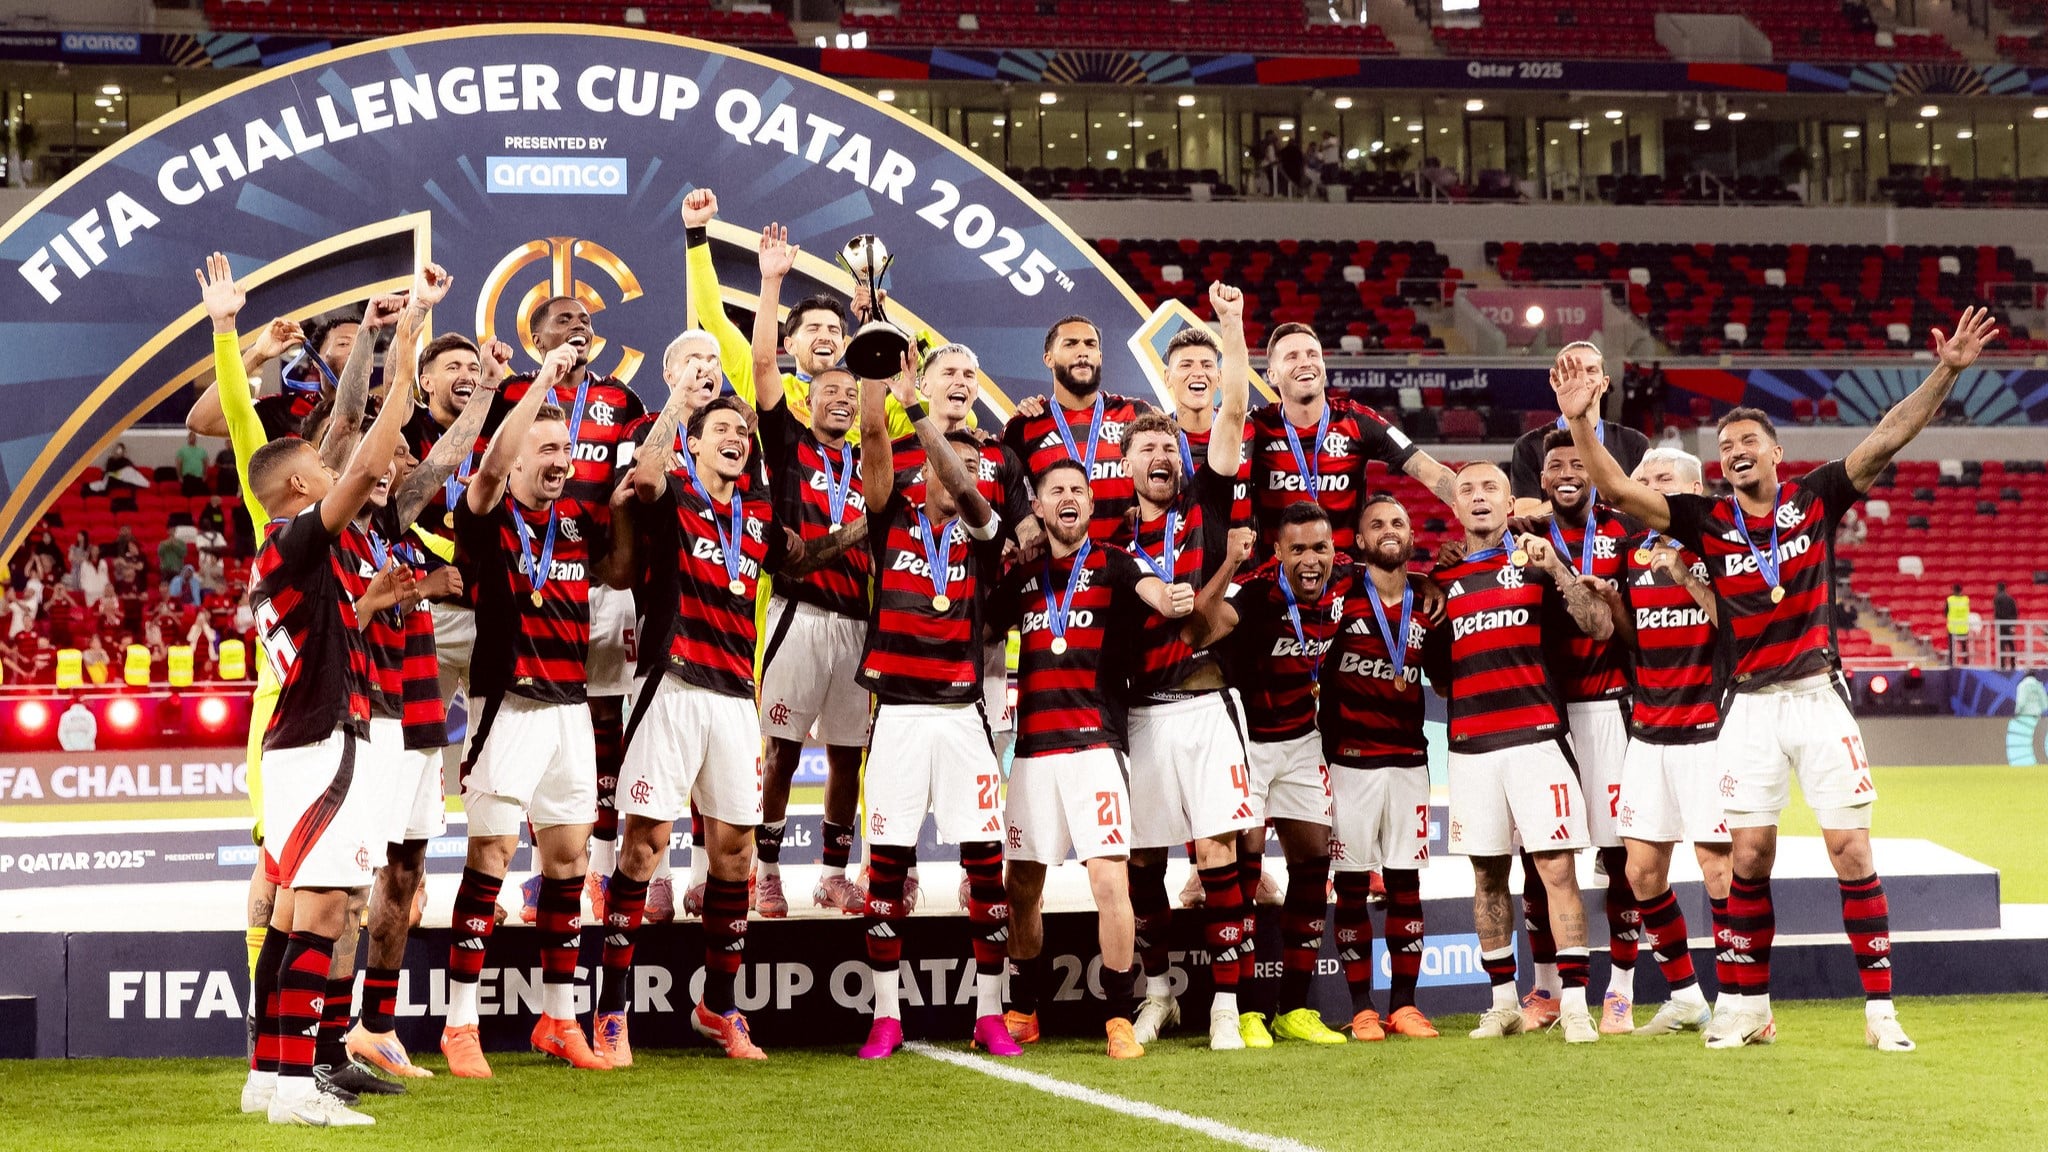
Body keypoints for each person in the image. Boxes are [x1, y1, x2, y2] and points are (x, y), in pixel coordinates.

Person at [1556, 305, 1999, 1052]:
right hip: (1748, 708)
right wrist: (1580, 422)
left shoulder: (1815, 497)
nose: (1735, 451)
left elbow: (1890, 432)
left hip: (1818, 698)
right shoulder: (1704, 520)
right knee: (1749, 857)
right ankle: (1746, 1008)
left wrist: (1946, 371)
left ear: (1776, 452)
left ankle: (1881, 1013)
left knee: (1850, 850)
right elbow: (1621, 493)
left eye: (1748, 442)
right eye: (1725, 445)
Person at [237, 273, 416, 1128]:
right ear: (303, 490)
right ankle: (296, 1087)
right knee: (323, 911)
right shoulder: (295, 540)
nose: (335, 472)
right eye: (321, 469)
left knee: (299, 912)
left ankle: (268, 1080)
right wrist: (404, 351)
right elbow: (372, 457)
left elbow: (329, 633)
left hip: (304, 741)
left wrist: (370, 604)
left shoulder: (291, 561)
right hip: (319, 745)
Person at [601, 393, 816, 1065]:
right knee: (645, 846)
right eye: (720, 429)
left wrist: (852, 533)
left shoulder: (756, 513)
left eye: (740, 432)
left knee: (735, 853)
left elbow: (797, 559)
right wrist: (680, 402)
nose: (736, 438)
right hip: (668, 684)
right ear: (693, 445)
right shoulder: (673, 497)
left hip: (734, 696)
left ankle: (718, 1007)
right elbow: (644, 472)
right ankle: (611, 1010)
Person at [438, 342, 624, 1078]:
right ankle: (460, 1026)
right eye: (546, 450)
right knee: (489, 858)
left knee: (568, 863)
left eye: (566, 450)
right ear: (514, 458)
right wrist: (542, 381)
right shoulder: (485, 516)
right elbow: (484, 474)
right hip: (504, 710)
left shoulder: (575, 521)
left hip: (570, 709)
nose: (560, 461)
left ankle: (559, 1018)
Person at [992, 458, 1198, 1061]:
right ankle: (1024, 1010)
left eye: (1078, 489)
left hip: (1096, 747)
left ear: (1089, 503)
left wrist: (1170, 595)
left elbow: (1153, 591)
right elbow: (980, 621)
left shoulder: (1115, 562)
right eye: (1056, 489)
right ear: (1037, 507)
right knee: (1020, 885)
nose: (1069, 497)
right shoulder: (1023, 575)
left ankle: (1117, 1017)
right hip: (1033, 750)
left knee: (1110, 881)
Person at [850, 353, 1018, 1061]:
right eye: (952, 464)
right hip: (896, 714)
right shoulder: (889, 519)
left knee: (985, 868)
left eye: (972, 466)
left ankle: (990, 1014)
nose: (963, 474)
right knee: (886, 868)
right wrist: (875, 375)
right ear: (924, 469)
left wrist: (919, 408)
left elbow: (966, 490)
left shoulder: (985, 530)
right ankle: (885, 1016)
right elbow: (873, 441)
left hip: (961, 713)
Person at [1426, 461, 1612, 1045]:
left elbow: (1598, 625)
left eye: (1491, 488)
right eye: (1467, 490)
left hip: (1538, 741)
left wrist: (1556, 566)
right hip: (1471, 748)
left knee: (1557, 869)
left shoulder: (1538, 564)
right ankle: (1503, 1003)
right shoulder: (1440, 582)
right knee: (1487, 875)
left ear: (1511, 505)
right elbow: (1440, 675)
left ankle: (1574, 1005)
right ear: (1456, 507)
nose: (1478, 497)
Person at [478, 294, 647, 928]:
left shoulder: (621, 399)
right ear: (537, 338)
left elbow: (638, 475)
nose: (579, 327)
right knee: (529, 725)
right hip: (531, 572)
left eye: (585, 320)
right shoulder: (513, 393)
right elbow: (488, 466)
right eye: (564, 320)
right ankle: (533, 868)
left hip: (601, 570)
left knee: (600, 722)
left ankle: (597, 867)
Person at [1117, 287, 1255, 1052]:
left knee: (1217, 851)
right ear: (1125, 464)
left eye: (1168, 447)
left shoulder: (1205, 500)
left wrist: (1231, 326)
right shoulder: (1109, 539)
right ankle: (1160, 991)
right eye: (1146, 450)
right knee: (1142, 859)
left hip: (1205, 706)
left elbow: (1232, 411)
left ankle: (1226, 1005)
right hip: (1140, 712)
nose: (1161, 457)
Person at [750, 224, 874, 918]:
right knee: (783, 751)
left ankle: (832, 873)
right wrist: (771, 281)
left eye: (851, 392)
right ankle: (766, 871)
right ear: (811, 398)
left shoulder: (871, 459)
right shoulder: (787, 442)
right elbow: (763, 367)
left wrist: (872, 312)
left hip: (857, 622)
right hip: (797, 613)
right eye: (830, 389)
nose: (842, 398)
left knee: (848, 756)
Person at [1592, 448, 1734, 1037]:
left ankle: (1744, 1001)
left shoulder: (1722, 543)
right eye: (1643, 480)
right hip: (1648, 731)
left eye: (1664, 479)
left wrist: (1687, 576)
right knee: (1642, 870)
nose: (1651, 489)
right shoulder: (1632, 552)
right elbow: (1636, 640)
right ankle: (1686, 998)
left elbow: (1740, 623)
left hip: (1710, 729)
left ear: (1695, 490)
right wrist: (1612, 607)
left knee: (1719, 869)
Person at [1209, 502, 1350, 1047]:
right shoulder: (1254, 594)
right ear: (1278, 553)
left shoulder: (1348, 584)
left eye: (1320, 548)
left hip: (1302, 740)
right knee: (1244, 874)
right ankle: (1246, 1011)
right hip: (1247, 742)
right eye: (1298, 550)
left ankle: (1293, 1008)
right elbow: (1209, 626)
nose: (1311, 561)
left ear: (1334, 550)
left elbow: (1395, 580)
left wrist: (1428, 584)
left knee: (1313, 866)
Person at [1522, 427, 1640, 1035]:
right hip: (1542, 717)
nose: (1568, 473)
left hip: (1609, 710)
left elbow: (1634, 627)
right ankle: (1545, 988)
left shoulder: (1624, 533)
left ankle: (1620, 990)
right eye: (1556, 466)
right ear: (1541, 479)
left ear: (1593, 473)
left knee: (1620, 858)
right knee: (1539, 859)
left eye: (1578, 463)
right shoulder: (1522, 535)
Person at [1321, 495, 1440, 1042]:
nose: (1389, 530)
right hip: (1349, 762)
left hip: (1410, 760)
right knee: (1350, 886)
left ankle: (1405, 1005)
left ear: (1411, 536)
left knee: (1405, 882)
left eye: (1398, 522)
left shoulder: (1428, 602)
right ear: (1359, 541)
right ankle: (1361, 1008)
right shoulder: (1341, 594)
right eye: (1377, 524)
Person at [1245, 320, 1456, 557]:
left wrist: (1483, 519)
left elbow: (1431, 472)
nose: (1305, 362)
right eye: (1292, 357)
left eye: (1313, 354)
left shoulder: (1357, 420)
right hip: (1276, 573)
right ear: (1271, 374)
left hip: (1345, 572)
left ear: (1323, 366)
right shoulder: (1256, 427)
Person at [1002, 316, 1153, 543]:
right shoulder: (1023, 427)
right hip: (1057, 563)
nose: (1082, 352)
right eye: (1070, 344)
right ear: (1049, 359)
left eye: (1090, 344)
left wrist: (1145, 504)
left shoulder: (1135, 414)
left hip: (1129, 559)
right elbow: (1011, 500)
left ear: (1100, 357)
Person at [1510, 342, 1650, 511]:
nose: (1582, 378)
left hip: (1618, 530)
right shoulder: (1529, 446)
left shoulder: (1633, 443)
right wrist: (1573, 496)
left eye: (1591, 370)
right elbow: (1524, 516)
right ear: (1554, 382)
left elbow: (1645, 511)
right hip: (1553, 530)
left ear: (1605, 384)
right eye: (1571, 371)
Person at [1995, 581, 2020, 670]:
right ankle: (2013, 664)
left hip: (2001, 625)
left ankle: (2002, 665)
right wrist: (2013, 624)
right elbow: (2015, 613)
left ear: (1998, 588)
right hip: (2010, 625)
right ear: (2005, 588)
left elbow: (1997, 613)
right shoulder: (2011, 599)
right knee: (2011, 644)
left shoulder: (1997, 599)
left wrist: (1998, 623)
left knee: (2002, 645)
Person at [1946, 583, 1971, 666]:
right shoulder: (1966, 600)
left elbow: (1945, 613)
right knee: (1964, 647)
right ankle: (1966, 663)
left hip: (1953, 628)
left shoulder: (1950, 600)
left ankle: (1951, 664)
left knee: (1952, 648)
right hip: (1963, 627)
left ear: (1953, 590)